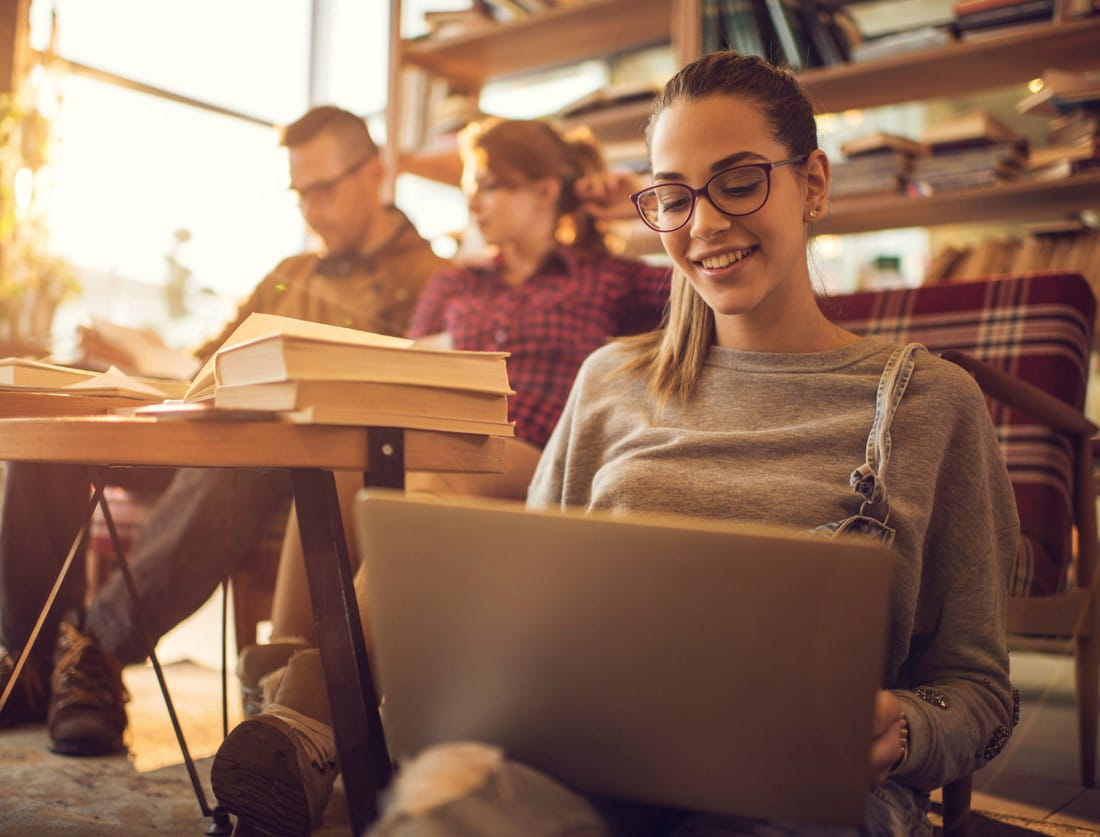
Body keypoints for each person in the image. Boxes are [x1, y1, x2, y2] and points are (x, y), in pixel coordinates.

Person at [359, 51, 1021, 837]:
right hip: (583, 768)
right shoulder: (608, 381)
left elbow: (979, 690)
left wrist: (906, 726)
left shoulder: (931, 403)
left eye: (739, 181)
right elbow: (519, 632)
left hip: (794, 798)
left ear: (813, 182)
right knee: (443, 811)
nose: (704, 223)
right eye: (672, 196)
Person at [209, 117, 673, 836]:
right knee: (329, 460)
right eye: (470, 187)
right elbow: (411, 370)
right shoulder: (455, 282)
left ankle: (301, 712)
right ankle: (286, 717)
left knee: (429, 474)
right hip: (433, 445)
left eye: (490, 184)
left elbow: (705, 290)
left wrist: (635, 201)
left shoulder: (611, 278)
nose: (475, 201)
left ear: (546, 189)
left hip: (536, 458)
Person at [0, 105, 444, 758]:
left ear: (373, 172)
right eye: (301, 192)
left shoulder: (432, 279)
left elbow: (397, 394)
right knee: (63, 415)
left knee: (247, 448)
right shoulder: (291, 269)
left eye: (323, 189)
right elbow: (209, 360)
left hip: (295, 454)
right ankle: (33, 664)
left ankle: (90, 652)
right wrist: (145, 357)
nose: (312, 209)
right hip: (204, 424)